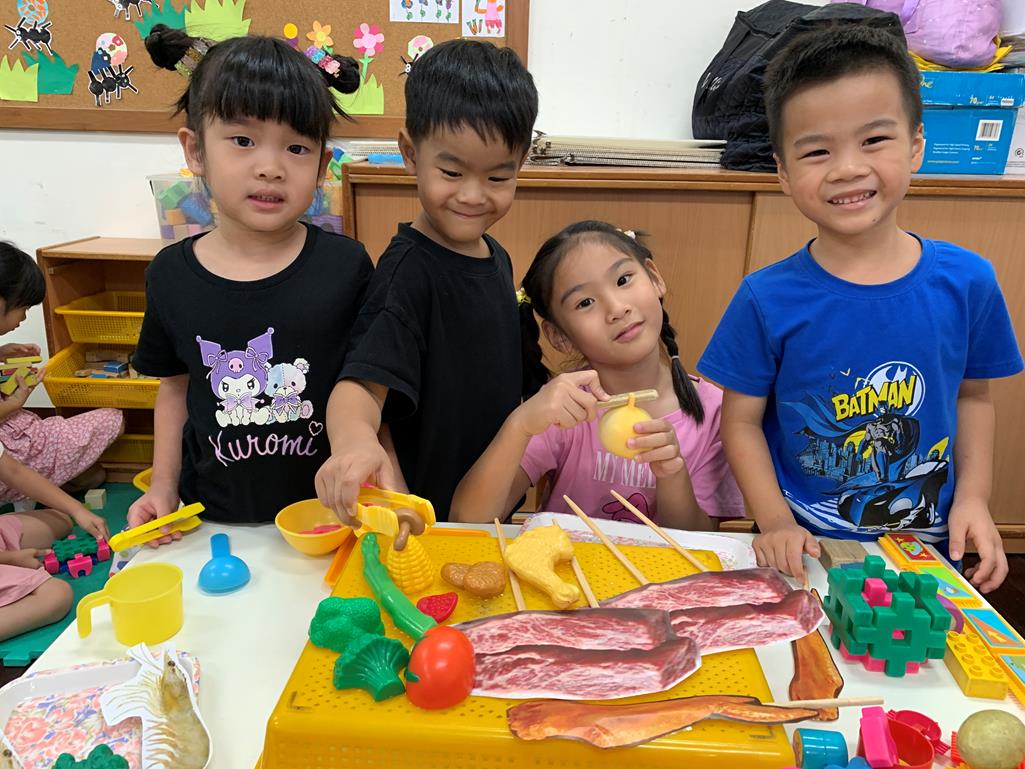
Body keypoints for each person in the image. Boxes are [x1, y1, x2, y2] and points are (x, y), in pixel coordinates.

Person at [697, 24, 1023, 591]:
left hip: (927, 549)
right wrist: (775, 521)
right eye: (817, 151)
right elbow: (741, 422)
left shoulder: (969, 281)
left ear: (916, 145)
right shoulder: (765, 298)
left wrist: (974, 498)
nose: (847, 167)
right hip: (803, 550)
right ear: (783, 172)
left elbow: (973, 397)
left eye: (874, 140)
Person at [128, 25, 373, 539]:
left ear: (323, 165)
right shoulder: (169, 275)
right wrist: (163, 486)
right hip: (212, 516)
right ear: (195, 151)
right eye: (243, 141)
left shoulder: (347, 266)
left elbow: (367, 384)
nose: (270, 168)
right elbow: (174, 387)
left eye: (297, 148)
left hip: (327, 519)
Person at [315, 39, 538, 529]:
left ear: (520, 164)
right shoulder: (407, 273)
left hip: (486, 509)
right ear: (410, 154)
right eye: (452, 172)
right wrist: (354, 442)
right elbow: (361, 385)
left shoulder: (497, 258)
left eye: (498, 178)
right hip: (423, 521)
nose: (473, 196)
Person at [451, 221, 744, 529]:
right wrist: (520, 424)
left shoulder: (715, 412)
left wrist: (672, 475)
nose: (617, 308)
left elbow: (702, 541)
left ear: (654, 278)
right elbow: (468, 519)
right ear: (559, 336)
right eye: (585, 302)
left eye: (623, 279)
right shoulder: (563, 408)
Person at [0, 242, 123, 505]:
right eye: (24, 308)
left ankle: (40, 489)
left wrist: (2, 353)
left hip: (17, 440)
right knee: (114, 419)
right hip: (13, 452)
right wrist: (13, 404)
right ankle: (32, 489)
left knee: (95, 476)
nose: (24, 318)